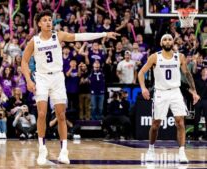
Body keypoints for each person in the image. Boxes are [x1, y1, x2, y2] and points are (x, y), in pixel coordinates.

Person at [21, 9, 120, 165]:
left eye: (50, 19)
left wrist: (104, 34)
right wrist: (28, 80)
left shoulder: (58, 35)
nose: (48, 22)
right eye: (45, 20)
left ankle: (64, 150)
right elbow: (24, 61)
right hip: (41, 78)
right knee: (41, 113)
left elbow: (81, 36)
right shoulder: (34, 41)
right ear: (39, 23)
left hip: (58, 78)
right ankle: (42, 149)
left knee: (61, 115)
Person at [138, 34, 200, 163]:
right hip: (160, 92)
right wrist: (143, 88)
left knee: (180, 122)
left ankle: (182, 152)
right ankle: (151, 149)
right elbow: (141, 72)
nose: (167, 41)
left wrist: (194, 91)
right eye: (165, 39)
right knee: (155, 125)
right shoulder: (155, 57)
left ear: (173, 42)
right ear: (161, 43)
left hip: (175, 92)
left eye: (170, 39)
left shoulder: (180, 57)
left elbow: (187, 74)